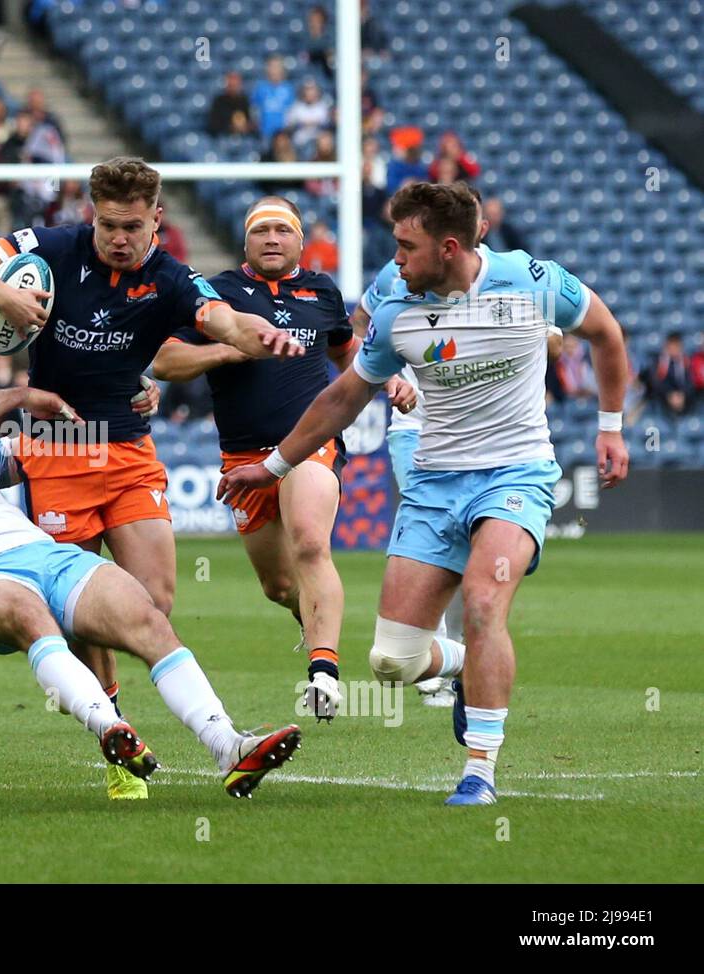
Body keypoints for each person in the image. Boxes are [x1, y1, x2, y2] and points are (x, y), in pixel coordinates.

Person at [220, 181, 630, 805]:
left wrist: (611, 428)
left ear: (447, 247)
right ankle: (466, 666)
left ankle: (479, 772)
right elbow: (342, 397)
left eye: (406, 247)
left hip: (515, 474)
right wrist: (274, 465)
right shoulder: (395, 309)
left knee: (485, 602)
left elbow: (606, 332)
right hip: (435, 483)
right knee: (391, 662)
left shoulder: (534, 281)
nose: (395, 260)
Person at [0, 156, 302, 799]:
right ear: (91, 215)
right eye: (108, 225)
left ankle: (221, 742)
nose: (120, 238)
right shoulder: (52, 250)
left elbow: (218, 320)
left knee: (152, 603)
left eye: (132, 226)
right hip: (56, 448)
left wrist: (258, 333)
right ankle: (117, 742)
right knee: (79, 614)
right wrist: (6, 295)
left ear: (157, 218)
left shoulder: (170, 278)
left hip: (129, 451)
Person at [0, 377, 304, 798]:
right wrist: (24, 393)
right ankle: (109, 727)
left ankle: (228, 746)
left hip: (46, 554)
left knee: (146, 617)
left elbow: (55, 443)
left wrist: (128, 392)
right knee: (34, 620)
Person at [153, 197, 413, 718]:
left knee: (312, 543)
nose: (272, 238)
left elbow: (345, 349)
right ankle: (313, 621)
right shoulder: (218, 295)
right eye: (261, 231)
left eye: (282, 230)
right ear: (246, 241)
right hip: (243, 456)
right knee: (278, 585)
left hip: (310, 443)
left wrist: (387, 378)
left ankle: (324, 670)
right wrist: (234, 348)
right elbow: (164, 360)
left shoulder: (321, 291)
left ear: (299, 240)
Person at [351, 185, 564, 706]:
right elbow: (361, 330)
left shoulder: (513, 281)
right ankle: (456, 658)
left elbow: (559, 337)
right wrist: (388, 377)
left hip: (501, 453)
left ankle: (467, 677)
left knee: (482, 583)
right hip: (417, 433)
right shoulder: (392, 279)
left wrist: (536, 337)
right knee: (438, 559)